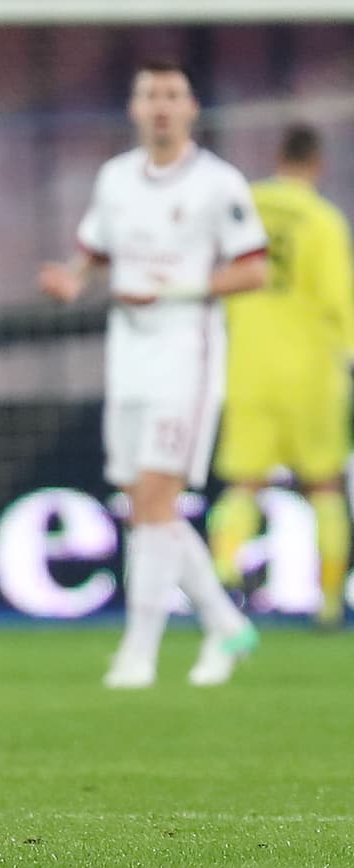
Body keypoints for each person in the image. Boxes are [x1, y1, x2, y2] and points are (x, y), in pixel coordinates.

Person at [38, 61, 268, 688]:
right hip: (130, 360)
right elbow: (94, 249)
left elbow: (255, 269)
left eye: (172, 95)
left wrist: (183, 287)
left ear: (191, 107)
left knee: (157, 503)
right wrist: (71, 278)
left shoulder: (218, 183)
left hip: (185, 361)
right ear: (135, 109)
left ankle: (138, 652)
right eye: (150, 95)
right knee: (147, 507)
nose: (161, 106)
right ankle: (225, 626)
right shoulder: (116, 180)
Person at [208, 124, 354, 630]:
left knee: (244, 484)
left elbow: (218, 281)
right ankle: (331, 604)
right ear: (317, 164)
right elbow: (341, 300)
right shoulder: (323, 220)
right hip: (312, 373)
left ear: (278, 156)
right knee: (326, 487)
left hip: (249, 366)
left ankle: (224, 576)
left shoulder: (244, 208)